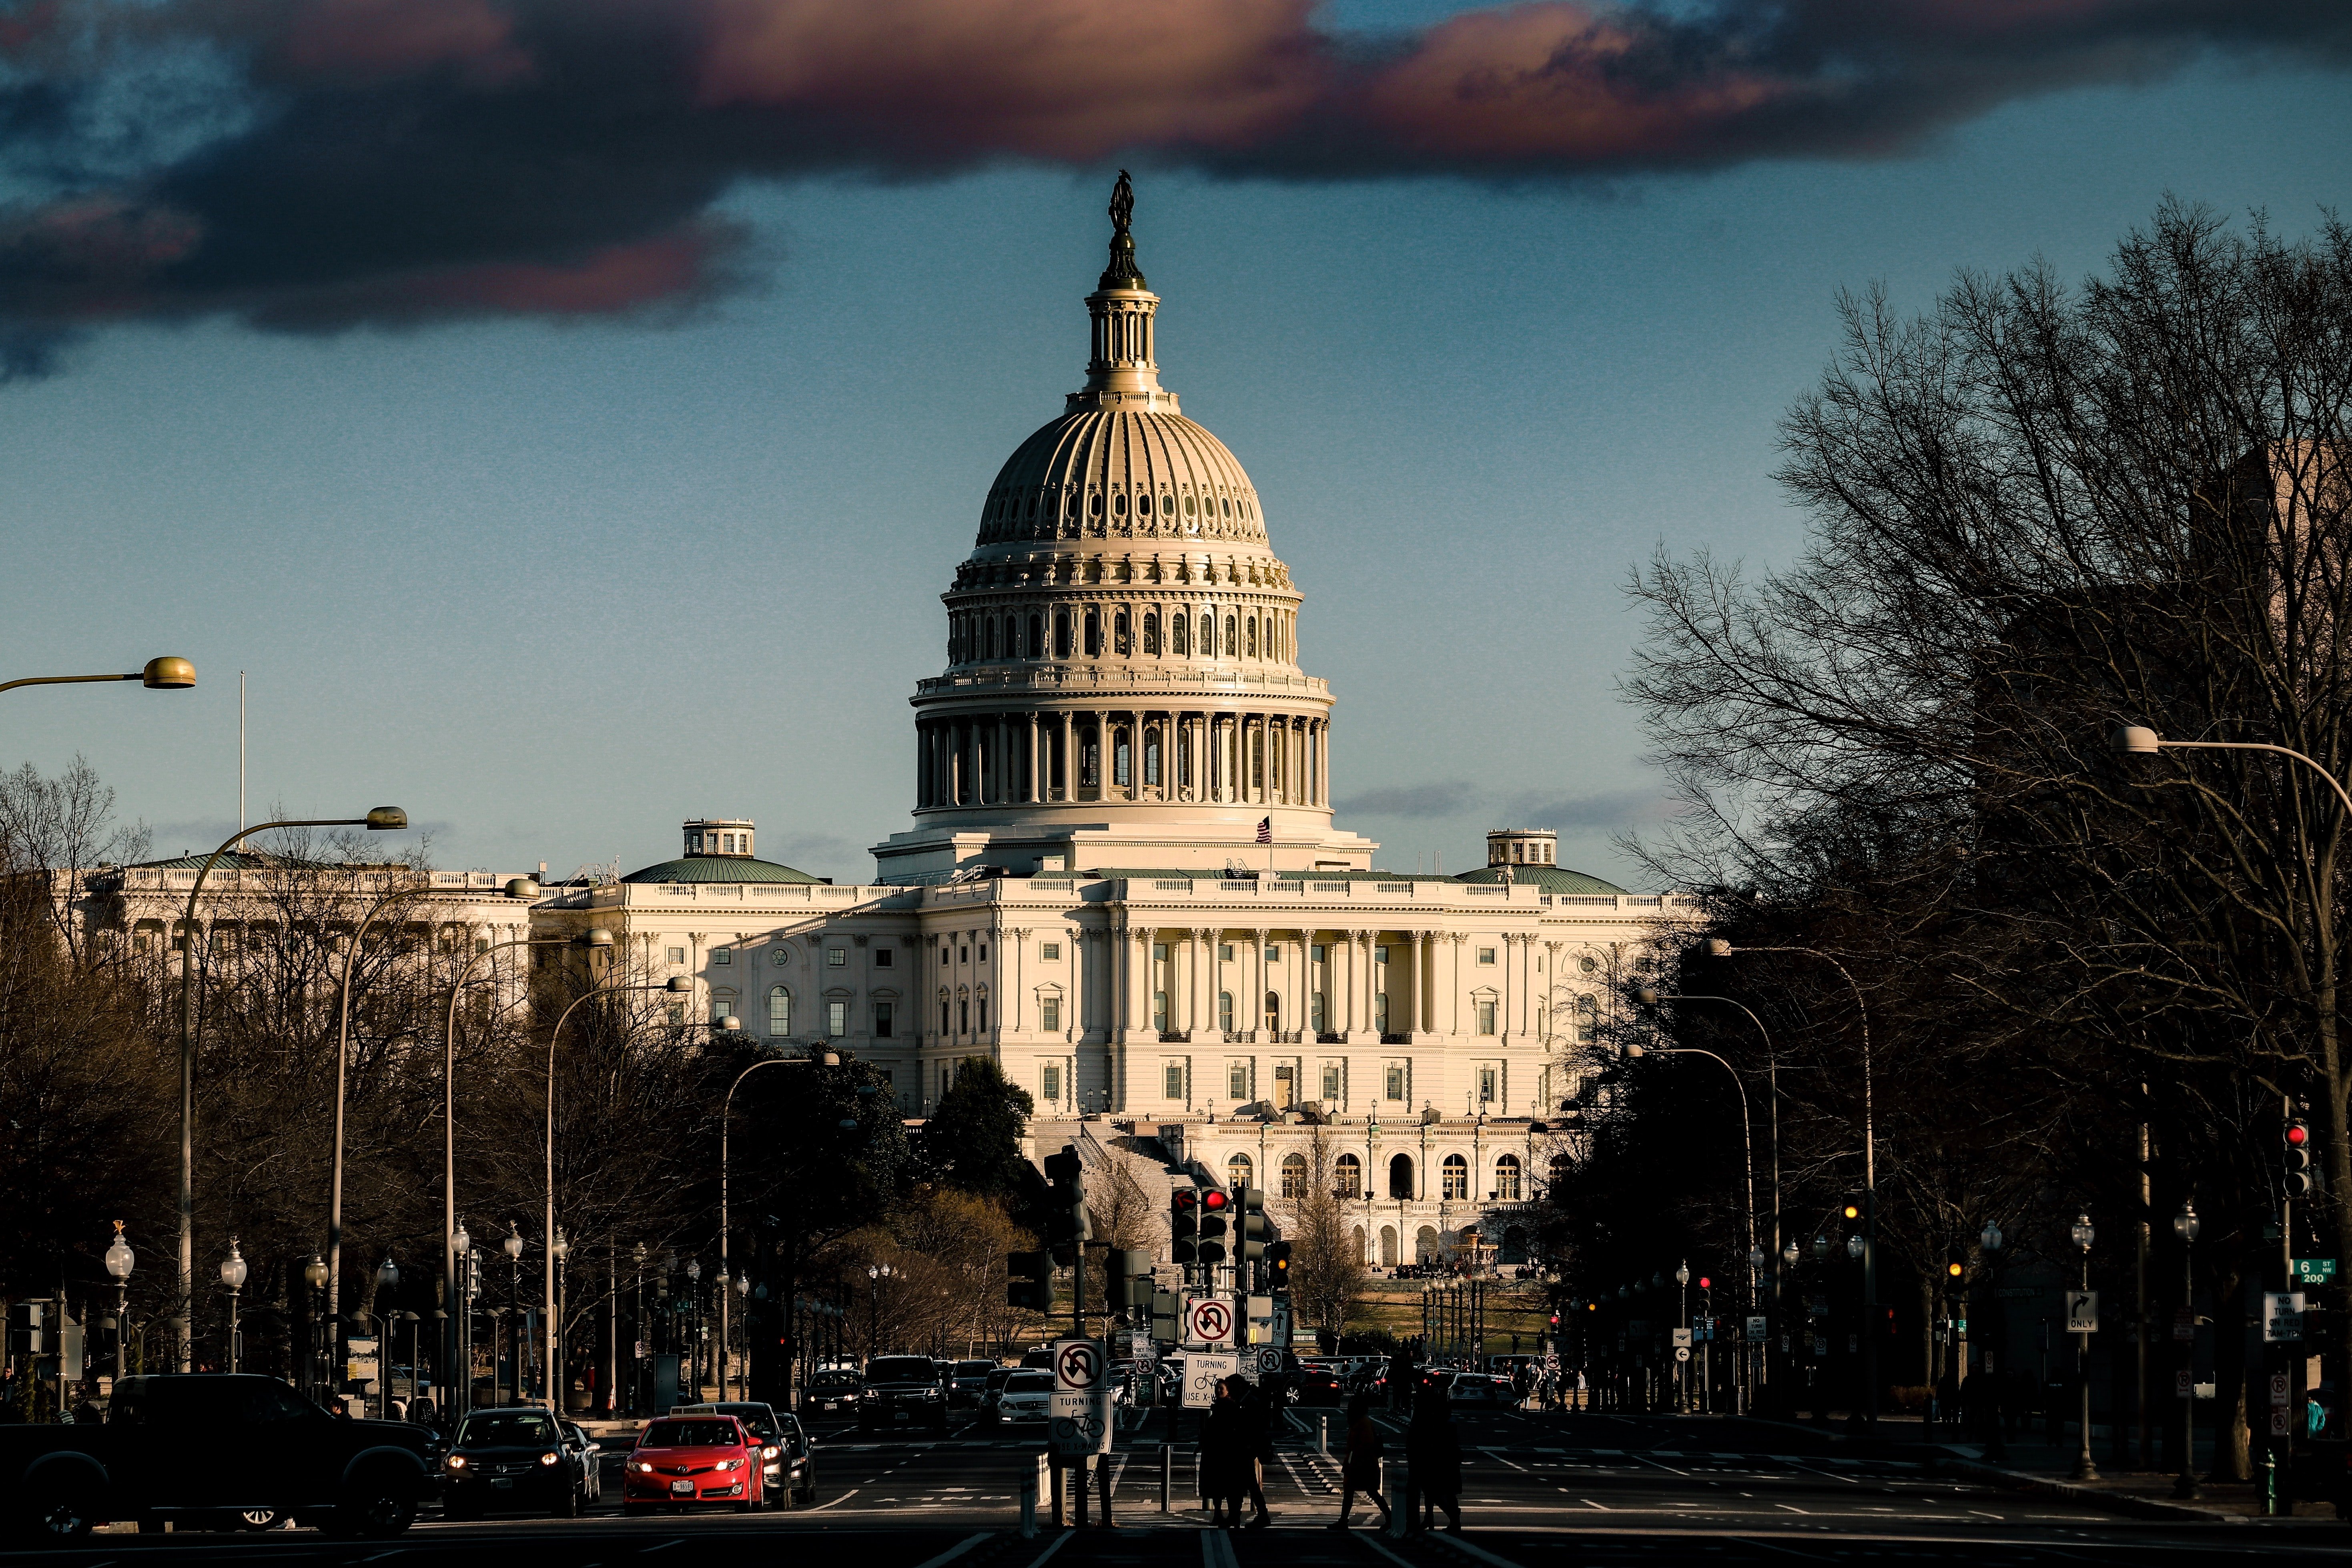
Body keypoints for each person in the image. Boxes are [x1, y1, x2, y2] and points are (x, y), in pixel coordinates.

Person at [1328, 1393, 1392, 1531]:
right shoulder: (1360, 1422)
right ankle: (1344, 1520)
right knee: (1364, 1492)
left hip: (1363, 1466)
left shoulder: (1362, 1424)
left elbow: (1364, 1446)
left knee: (1367, 1492)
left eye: (1352, 1406)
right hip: (1360, 1464)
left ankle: (1390, 1518)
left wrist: (1352, 1463)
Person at [1405, 1382, 1463, 1534]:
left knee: (1436, 1492)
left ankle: (1451, 1518)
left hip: (1432, 1457)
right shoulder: (1430, 1413)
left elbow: (1426, 1436)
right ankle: (1431, 1518)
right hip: (1432, 1456)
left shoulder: (1427, 1414)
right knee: (1432, 1491)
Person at [1197, 1375, 1249, 1526]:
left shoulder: (1231, 1407)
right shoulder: (1217, 1406)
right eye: (1217, 1389)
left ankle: (1234, 1516)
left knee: (1229, 1485)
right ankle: (1219, 1514)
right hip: (1214, 1451)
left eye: (1222, 1389)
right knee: (1216, 1485)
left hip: (1227, 1452)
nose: (1219, 1391)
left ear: (1228, 1392)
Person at [1240, 1378, 1276, 1528]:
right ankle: (1262, 1513)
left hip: (1249, 1447)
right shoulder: (1252, 1400)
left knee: (1250, 1484)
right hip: (1252, 1447)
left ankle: (1262, 1514)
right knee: (1251, 1484)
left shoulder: (1249, 1402)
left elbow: (1251, 1426)